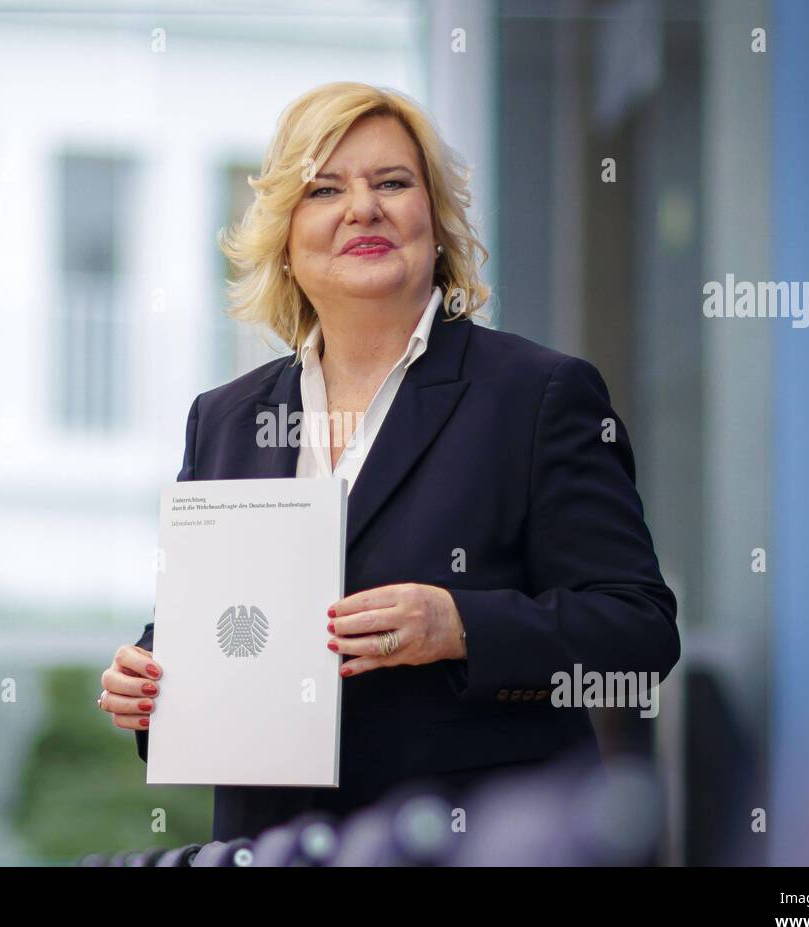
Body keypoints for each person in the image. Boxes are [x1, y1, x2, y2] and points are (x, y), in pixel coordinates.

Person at [98, 81, 679, 842]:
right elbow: (225, 624)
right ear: (285, 237)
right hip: (278, 848)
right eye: (325, 189)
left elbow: (638, 635)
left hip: (475, 846)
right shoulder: (226, 419)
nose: (362, 208)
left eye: (393, 183)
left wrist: (460, 624)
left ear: (434, 223)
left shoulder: (538, 395)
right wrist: (149, 675)